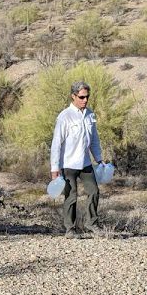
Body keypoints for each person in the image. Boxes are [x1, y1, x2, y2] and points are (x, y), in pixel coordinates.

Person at [50, 81, 104, 238]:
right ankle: (70, 229)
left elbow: (94, 140)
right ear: (73, 96)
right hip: (68, 164)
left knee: (94, 191)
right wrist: (55, 169)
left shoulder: (90, 114)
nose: (85, 100)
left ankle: (92, 223)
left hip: (86, 163)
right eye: (81, 97)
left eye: (87, 97)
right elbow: (56, 144)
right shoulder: (64, 117)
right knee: (71, 196)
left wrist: (99, 159)